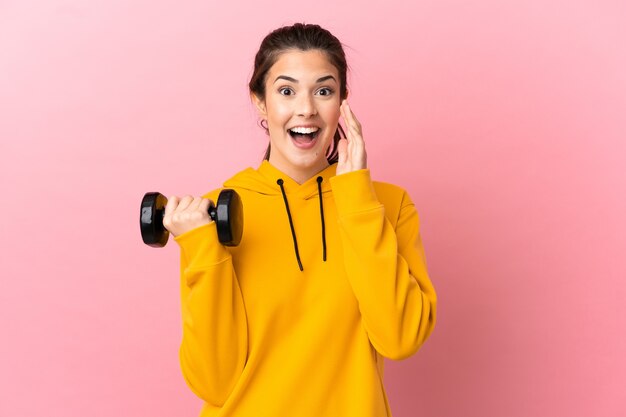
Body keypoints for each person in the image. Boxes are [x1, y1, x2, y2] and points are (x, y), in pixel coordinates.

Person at [163, 23, 437, 417]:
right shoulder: (209, 217)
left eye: (323, 90)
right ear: (260, 101)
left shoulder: (388, 206)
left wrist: (357, 198)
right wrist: (204, 250)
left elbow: (401, 338)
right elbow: (213, 383)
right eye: (286, 91)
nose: (306, 109)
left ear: (343, 100)